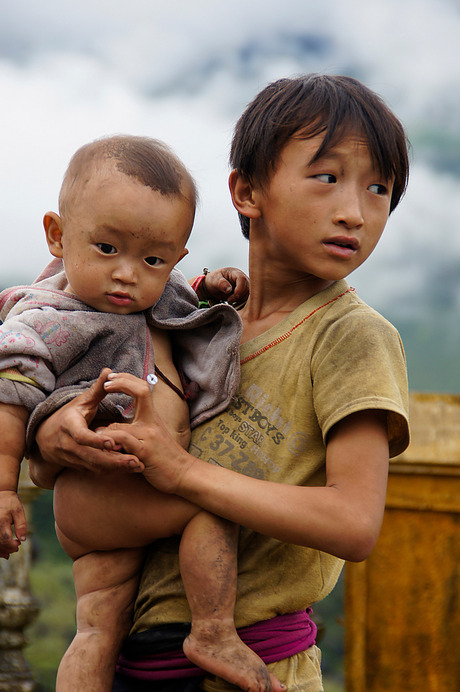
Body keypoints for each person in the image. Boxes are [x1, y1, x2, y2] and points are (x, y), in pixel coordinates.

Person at [31, 74, 411, 692]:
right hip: (135, 659)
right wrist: (53, 435)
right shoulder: (196, 317)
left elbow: (353, 521)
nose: (356, 211)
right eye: (327, 177)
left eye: (380, 189)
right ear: (246, 191)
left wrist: (181, 475)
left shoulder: (350, 336)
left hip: (255, 664)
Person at [0, 135, 282, 692]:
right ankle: (214, 632)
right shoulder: (51, 318)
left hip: (109, 504)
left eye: (152, 258)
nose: (128, 274)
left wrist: (210, 289)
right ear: (58, 236)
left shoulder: (157, 295)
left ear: (176, 257)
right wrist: (4, 488)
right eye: (106, 249)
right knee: (213, 502)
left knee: (97, 630)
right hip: (102, 486)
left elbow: (180, 311)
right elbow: (10, 392)